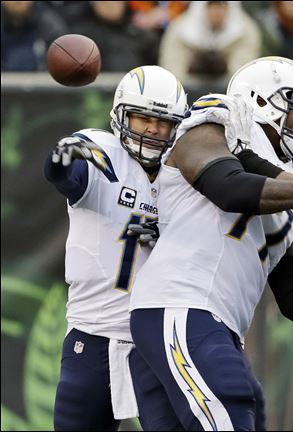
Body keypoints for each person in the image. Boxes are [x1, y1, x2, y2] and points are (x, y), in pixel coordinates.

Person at [128, 56, 293, 431]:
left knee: (244, 405)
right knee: (231, 405)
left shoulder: (287, 192)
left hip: (209, 325)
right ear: (260, 99)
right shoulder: (222, 121)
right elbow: (227, 187)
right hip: (179, 308)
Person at [44, 65, 188, 431]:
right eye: (143, 118)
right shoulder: (102, 155)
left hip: (158, 339)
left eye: (163, 121)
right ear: (122, 115)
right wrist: (59, 158)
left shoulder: (181, 175)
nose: (154, 129)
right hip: (93, 334)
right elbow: (65, 176)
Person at [158, 1, 262, 81]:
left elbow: (242, 75)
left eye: (221, 7)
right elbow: (173, 73)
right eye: (212, 6)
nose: (217, 12)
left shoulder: (245, 31)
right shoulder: (179, 30)